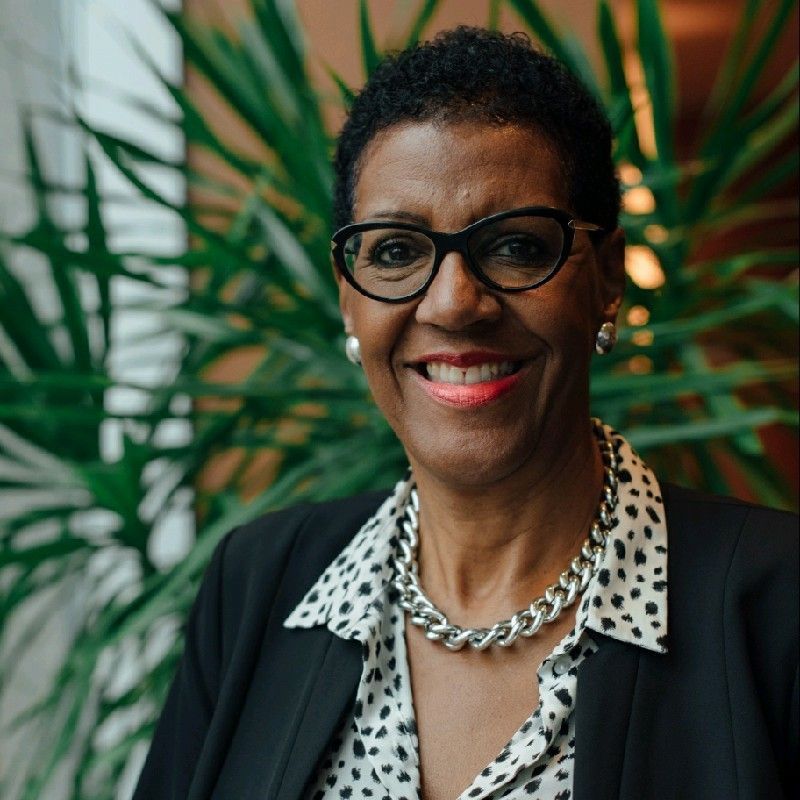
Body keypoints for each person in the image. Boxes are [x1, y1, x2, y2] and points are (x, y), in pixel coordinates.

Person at [134, 27, 798, 800]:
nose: (453, 303)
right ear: (349, 296)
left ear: (607, 278)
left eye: (516, 246)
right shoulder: (257, 587)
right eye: (395, 251)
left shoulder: (775, 606)